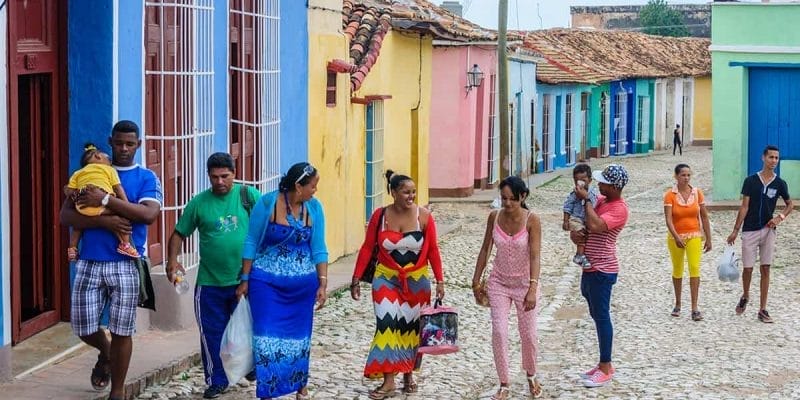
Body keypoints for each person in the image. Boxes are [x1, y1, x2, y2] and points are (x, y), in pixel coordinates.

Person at [60, 120, 162, 400]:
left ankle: (117, 393)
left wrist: (105, 200)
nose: (124, 148)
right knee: (82, 326)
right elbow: (65, 216)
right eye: (119, 143)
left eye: (130, 144)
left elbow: (147, 215)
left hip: (126, 263)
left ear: (138, 144)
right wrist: (105, 222)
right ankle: (106, 353)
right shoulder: (88, 173)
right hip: (90, 261)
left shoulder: (146, 178)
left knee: (121, 330)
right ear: (110, 142)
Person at [166, 153, 261, 398]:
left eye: (225, 176)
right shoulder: (199, 203)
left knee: (250, 327)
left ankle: (251, 366)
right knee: (212, 334)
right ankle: (217, 380)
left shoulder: (248, 196)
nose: (219, 181)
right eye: (214, 177)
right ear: (208, 176)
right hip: (210, 283)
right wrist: (172, 261)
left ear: (234, 174)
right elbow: (178, 234)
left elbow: (267, 226)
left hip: (245, 280)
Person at [237, 162, 328, 400]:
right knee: (265, 336)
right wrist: (245, 278)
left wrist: (323, 282)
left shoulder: (314, 208)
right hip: (266, 284)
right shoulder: (267, 203)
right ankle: (268, 390)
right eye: (313, 185)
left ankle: (300, 384)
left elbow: (319, 248)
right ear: (298, 186)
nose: (315, 190)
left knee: (299, 339)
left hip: (301, 288)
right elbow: (251, 241)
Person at [351, 170, 445, 400]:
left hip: (417, 282)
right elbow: (367, 247)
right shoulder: (380, 216)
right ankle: (388, 381)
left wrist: (440, 280)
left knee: (411, 329)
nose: (411, 196)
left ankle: (408, 373)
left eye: (413, 192)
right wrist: (356, 278)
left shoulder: (424, 216)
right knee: (387, 325)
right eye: (406, 192)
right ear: (393, 193)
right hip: (386, 279)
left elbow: (433, 250)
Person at [472, 176, 543, 400]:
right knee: (499, 332)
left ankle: (531, 374)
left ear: (523, 196)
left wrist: (532, 288)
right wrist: (476, 280)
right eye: (504, 198)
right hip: (498, 283)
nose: (508, 203)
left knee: (528, 334)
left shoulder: (532, 220)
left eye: (512, 198)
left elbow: (535, 255)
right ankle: (504, 383)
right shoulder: (494, 217)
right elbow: (485, 249)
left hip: (524, 284)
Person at [571, 164, 629, 388]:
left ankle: (605, 366)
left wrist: (586, 199)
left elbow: (595, 225)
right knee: (596, 315)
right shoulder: (601, 201)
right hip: (589, 267)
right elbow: (584, 223)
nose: (599, 185)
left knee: (602, 317)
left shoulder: (619, 209)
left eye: (604, 182)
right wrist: (575, 235)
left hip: (603, 270)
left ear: (615, 186)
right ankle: (602, 363)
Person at [726, 145, 792, 323]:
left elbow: (790, 204)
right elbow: (744, 207)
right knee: (748, 268)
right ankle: (746, 294)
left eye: (776, 158)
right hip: (750, 230)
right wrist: (735, 230)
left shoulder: (780, 183)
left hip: (768, 230)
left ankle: (763, 309)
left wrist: (779, 217)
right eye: (771, 157)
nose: (774, 161)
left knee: (766, 267)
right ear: (763, 158)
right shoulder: (750, 181)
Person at [64, 143, 141, 261]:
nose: (110, 161)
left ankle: (72, 249)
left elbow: (69, 190)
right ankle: (125, 244)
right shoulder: (109, 169)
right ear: (98, 156)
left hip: (82, 206)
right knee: (120, 216)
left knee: (77, 225)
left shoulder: (78, 173)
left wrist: (72, 193)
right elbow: (118, 188)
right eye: (108, 158)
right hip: (102, 206)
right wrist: (126, 205)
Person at [664, 164, 712, 321]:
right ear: (676, 176)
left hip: (694, 235)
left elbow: (704, 216)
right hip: (675, 237)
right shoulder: (670, 195)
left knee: (694, 267)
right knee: (678, 268)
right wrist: (676, 236)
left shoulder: (697, 193)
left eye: (688, 175)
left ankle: (694, 307)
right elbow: (668, 219)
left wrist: (708, 238)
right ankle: (678, 303)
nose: (686, 178)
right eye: (683, 175)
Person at [562, 164, 599, 269]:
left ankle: (586, 255)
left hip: (588, 219)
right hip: (576, 219)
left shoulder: (593, 192)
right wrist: (566, 221)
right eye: (577, 181)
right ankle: (579, 255)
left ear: (590, 180)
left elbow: (595, 204)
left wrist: (585, 197)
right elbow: (567, 206)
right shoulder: (574, 193)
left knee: (589, 235)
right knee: (580, 234)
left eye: (583, 180)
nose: (580, 183)